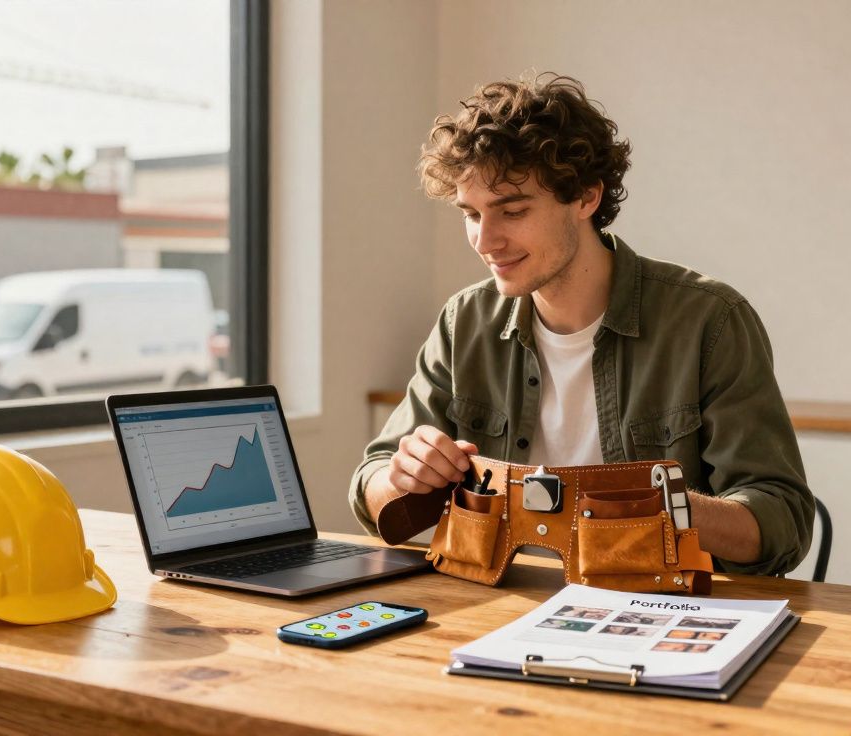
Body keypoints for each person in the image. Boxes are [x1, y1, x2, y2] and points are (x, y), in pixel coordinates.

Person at [347, 73, 813, 576]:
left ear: (587, 197)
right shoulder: (465, 322)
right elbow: (371, 492)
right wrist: (405, 476)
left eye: (513, 210)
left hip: (653, 610)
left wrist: (647, 508)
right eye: (471, 214)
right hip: (496, 605)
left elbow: (781, 520)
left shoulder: (710, 321)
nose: (485, 241)